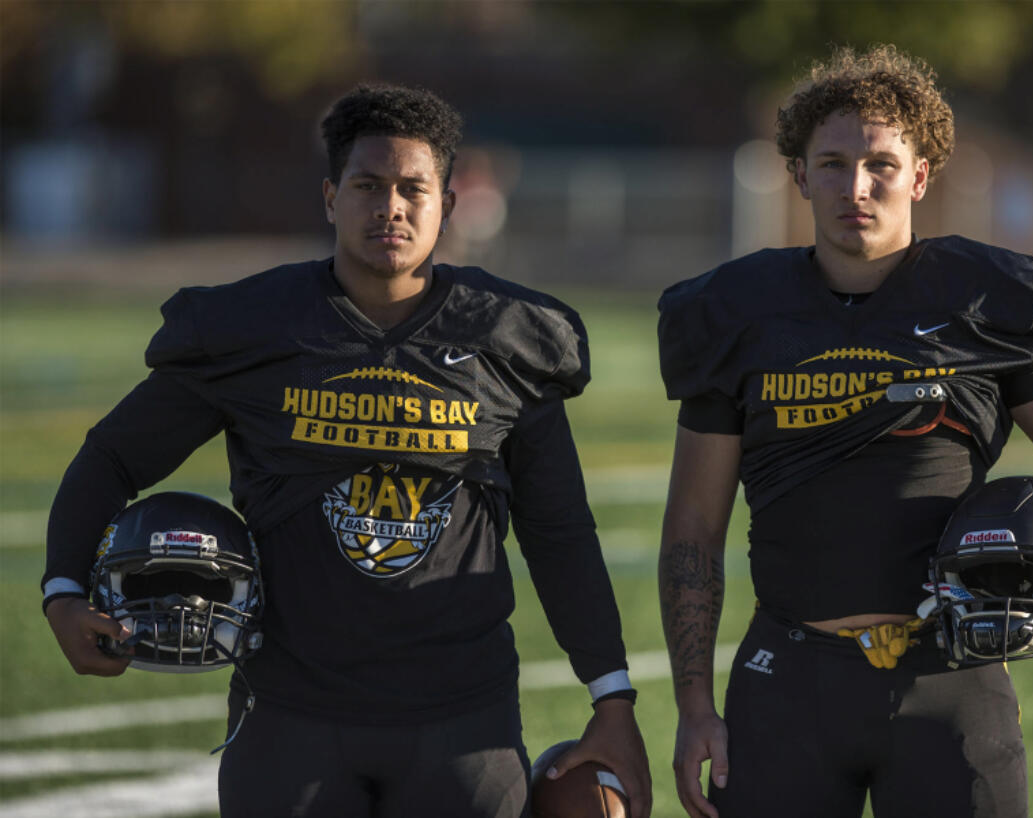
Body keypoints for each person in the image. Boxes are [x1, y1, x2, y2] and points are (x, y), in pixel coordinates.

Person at [42, 83, 651, 818]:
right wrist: (63, 591)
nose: (389, 207)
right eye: (367, 185)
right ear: (331, 197)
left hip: (461, 718)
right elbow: (112, 457)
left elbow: (558, 530)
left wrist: (611, 696)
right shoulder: (257, 329)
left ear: (447, 205)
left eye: (411, 189)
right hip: (293, 712)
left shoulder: (506, 340)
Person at [656, 45, 1033, 818]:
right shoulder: (737, 313)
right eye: (831, 164)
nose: (856, 186)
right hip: (786, 678)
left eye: (881, 164)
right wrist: (694, 709)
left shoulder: (984, 302)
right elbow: (693, 530)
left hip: (950, 677)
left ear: (920, 177)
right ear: (798, 176)